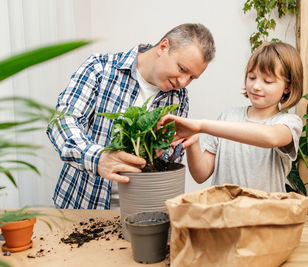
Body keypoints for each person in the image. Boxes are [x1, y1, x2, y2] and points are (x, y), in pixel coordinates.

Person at [47, 23, 216, 209]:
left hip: (142, 211)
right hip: (83, 206)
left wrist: (163, 150)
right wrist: (98, 159)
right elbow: (61, 122)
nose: (183, 82)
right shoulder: (100, 69)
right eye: (182, 69)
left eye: (192, 77)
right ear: (163, 47)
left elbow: (169, 160)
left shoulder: (179, 97)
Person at [158, 41, 303, 192]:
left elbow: (270, 138)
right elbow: (200, 175)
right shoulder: (227, 117)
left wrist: (201, 126)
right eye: (252, 77)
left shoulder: (288, 123)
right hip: (223, 214)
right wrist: (194, 141)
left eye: (267, 81)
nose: (256, 86)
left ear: (288, 87)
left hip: (264, 214)